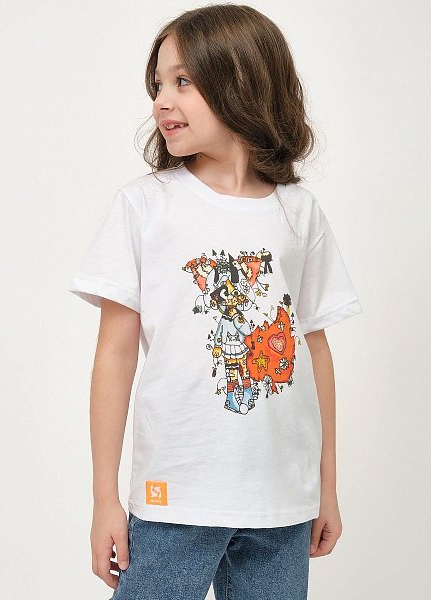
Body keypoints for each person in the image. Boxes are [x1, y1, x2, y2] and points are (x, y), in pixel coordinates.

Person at [68, 4, 363, 599]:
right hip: (177, 495)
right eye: (157, 84)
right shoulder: (145, 205)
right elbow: (114, 356)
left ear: (243, 82)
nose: (161, 101)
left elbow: (315, 354)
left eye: (182, 81)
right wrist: (104, 499)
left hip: (281, 504)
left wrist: (325, 487)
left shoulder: (297, 212)